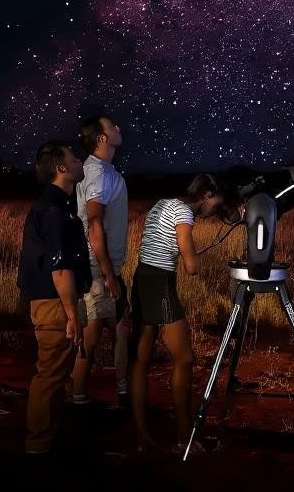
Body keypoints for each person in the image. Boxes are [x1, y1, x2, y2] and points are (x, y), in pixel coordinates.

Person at [129, 173, 229, 452]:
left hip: (142, 279)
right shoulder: (185, 211)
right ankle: (184, 438)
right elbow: (191, 266)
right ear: (207, 195)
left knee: (140, 359)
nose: (214, 211)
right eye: (216, 204)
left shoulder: (164, 203)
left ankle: (141, 436)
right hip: (160, 283)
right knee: (185, 358)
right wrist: (195, 258)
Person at [16, 140, 92, 455]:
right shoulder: (53, 210)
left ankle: (47, 438)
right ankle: (38, 445)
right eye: (74, 159)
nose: (80, 161)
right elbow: (59, 267)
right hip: (54, 303)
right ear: (61, 169)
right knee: (49, 374)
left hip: (55, 301)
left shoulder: (57, 205)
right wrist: (72, 315)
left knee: (57, 371)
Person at [71, 114, 131, 408]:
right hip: (99, 268)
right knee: (94, 332)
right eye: (113, 126)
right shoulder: (100, 174)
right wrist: (107, 273)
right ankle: (80, 397)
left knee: (118, 325)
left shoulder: (98, 170)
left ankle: (119, 391)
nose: (119, 128)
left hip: (100, 266)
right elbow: (93, 222)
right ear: (102, 138)